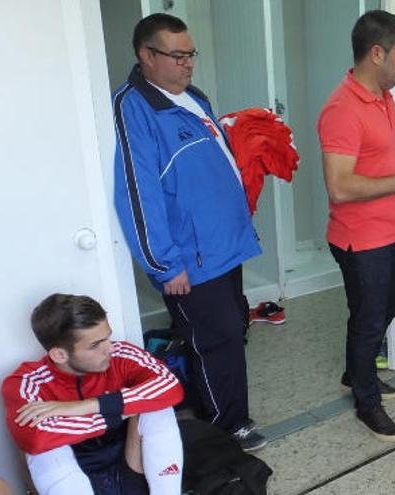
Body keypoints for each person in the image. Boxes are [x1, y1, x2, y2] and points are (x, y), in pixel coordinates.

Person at [112, 14, 266, 451]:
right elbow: (138, 193)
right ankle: (228, 427)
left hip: (224, 245)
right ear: (146, 55)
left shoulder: (193, 97)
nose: (188, 64)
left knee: (229, 331)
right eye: (177, 56)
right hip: (188, 256)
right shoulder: (133, 108)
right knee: (217, 338)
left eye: (190, 54)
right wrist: (164, 263)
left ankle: (209, 410)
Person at [317, 10, 395, 442]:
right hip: (358, 239)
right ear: (377, 53)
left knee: (391, 305)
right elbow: (339, 186)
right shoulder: (341, 109)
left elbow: (388, 152)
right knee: (369, 320)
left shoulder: (385, 97)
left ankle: (356, 371)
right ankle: (366, 400)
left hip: (388, 231)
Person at [1, 294, 184, 495]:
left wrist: (88, 405)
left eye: (108, 337)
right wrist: (114, 415)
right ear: (59, 355)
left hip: (131, 464)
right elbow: (35, 439)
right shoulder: (26, 382)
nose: (110, 348)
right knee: (43, 451)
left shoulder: (121, 354)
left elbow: (170, 385)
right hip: (77, 479)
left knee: (158, 407)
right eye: (95, 345)